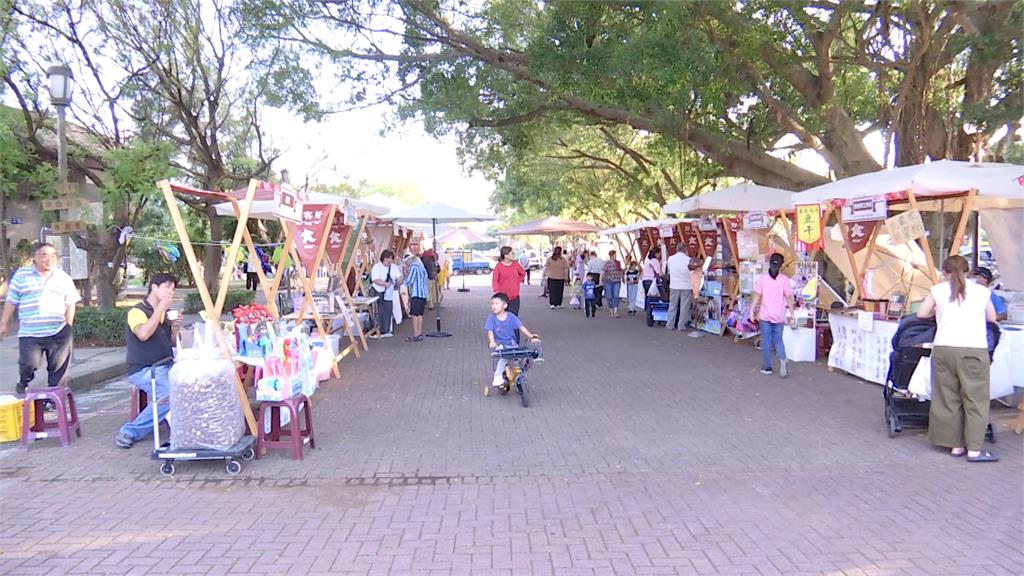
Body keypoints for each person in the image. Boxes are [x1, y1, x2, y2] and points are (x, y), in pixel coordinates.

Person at [917, 255, 998, 462]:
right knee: (975, 400)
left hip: (944, 348)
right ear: (968, 271)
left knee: (947, 398)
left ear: (944, 272)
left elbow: (921, 313)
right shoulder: (981, 291)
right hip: (973, 349)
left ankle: (954, 446)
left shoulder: (938, 290)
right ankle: (974, 450)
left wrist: (940, 310)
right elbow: (992, 318)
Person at [1, 242, 81, 397]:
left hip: (58, 331)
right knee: (29, 364)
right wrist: (3, 323)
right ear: (35, 258)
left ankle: (53, 400)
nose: (49, 259)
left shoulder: (63, 277)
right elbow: (11, 301)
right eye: (44, 255)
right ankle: (24, 381)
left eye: (53, 255)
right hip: (30, 332)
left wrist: (68, 326)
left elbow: (70, 303)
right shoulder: (22, 275)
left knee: (58, 369)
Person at [115, 273, 178, 449]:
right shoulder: (137, 311)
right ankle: (130, 431)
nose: (170, 292)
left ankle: (182, 429)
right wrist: (160, 309)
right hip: (144, 369)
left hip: (165, 364)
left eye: (173, 289)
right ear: (154, 287)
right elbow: (143, 334)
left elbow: (171, 342)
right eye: (167, 287)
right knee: (169, 396)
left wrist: (176, 326)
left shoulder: (164, 314)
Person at [751, 253, 795, 378]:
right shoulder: (784, 280)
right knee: (778, 340)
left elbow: (757, 296)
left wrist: (752, 311)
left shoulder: (763, 279)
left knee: (767, 341)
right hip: (779, 315)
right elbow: (789, 298)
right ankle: (782, 359)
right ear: (781, 266)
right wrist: (792, 314)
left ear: (769, 263)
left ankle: (767, 367)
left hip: (765, 315)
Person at [485, 292, 540, 388]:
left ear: (505, 305)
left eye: (496, 303)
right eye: (492, 304)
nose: (493, 306)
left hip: (511, 343)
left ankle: (524, 368)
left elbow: (521, 327)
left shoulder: (510, 316)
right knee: (503, 357)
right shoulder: (491, 318)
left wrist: (531, 336)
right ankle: (497, 377)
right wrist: (492, 341)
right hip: (499, 345)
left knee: (523, 355)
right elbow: (490, 331)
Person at [665, 245, 700, 332]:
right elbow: (692, 272)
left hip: (674, 285)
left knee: (672, 305)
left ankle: (670, 324)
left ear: (676, 249)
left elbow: (669, 270)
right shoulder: (689, 260)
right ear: (685, 250)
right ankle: (681, 326)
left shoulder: (670, 259)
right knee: (684, 307)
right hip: (686, 286)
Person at [370, 250, 402, 338]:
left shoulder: (394, 267)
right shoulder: (377, 267)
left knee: (388, 310)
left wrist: (399, 280)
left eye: (391, 258)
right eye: (388, 258)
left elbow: (399, 276)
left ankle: (386, 330)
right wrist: (385, 284)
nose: (389, 260)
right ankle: (377, 331)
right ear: (383, 258)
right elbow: (375, 279)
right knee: (378, 311)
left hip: (389, 293)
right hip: (377, 291)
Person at [492, 246, 527, 317]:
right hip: (503, 298)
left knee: (513, 317)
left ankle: (513, 328)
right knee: (503, 317)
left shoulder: (515, 264)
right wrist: (497, 291)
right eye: (512, 253)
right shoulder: (498, 266)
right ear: (506, 256)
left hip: (514, 297)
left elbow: (523, 273)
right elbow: (494, 280)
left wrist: (517, 281)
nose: (513, 255)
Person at [403, 253, 429, 342]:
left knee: (414, 315)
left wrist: (405, 273)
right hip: (423, 293)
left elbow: (409, 281)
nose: (406, 264)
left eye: (406, 262)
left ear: (410, 260)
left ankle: (415, 335)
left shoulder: (414, 266)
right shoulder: (421, 266)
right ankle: (419, 333)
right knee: (420, 314)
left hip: (416, 293)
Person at [602, 250, 624, 318]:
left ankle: (615, 311)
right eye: (614, 256)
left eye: (615, 256)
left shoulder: (618, 263)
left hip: (617, 280)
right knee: (609, 296)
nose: (615, 257)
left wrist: (622, 277)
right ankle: (611, 310)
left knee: (616, 295)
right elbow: (603, 271)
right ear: (611, 256)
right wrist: (601, 279)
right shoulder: (607, 263)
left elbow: (620, 270)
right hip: (608, 281)